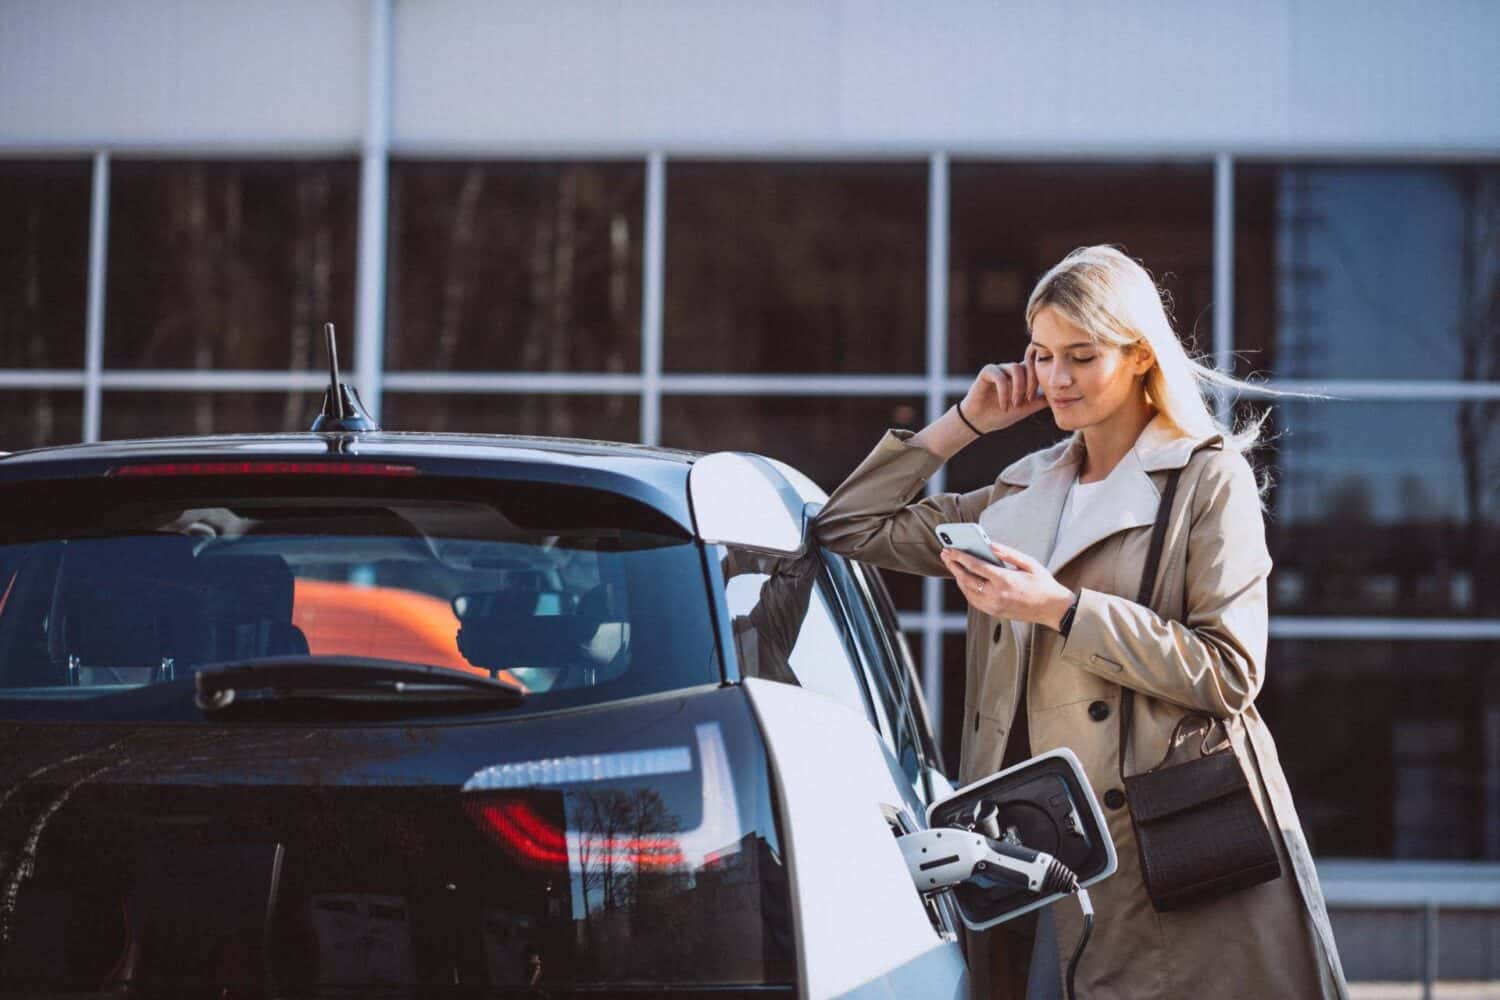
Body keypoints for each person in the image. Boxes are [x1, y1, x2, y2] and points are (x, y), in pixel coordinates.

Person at [814, 246, 1349, 999]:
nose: (1055, 377)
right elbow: (846, 529)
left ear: (1139, 357)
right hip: (1026, 847)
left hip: (1155, 851)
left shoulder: (1206, 477)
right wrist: (964, 424)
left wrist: (1058, 610)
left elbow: (1229, 669)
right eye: (1042, 355)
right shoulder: (1024, 487)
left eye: (1081, 356)